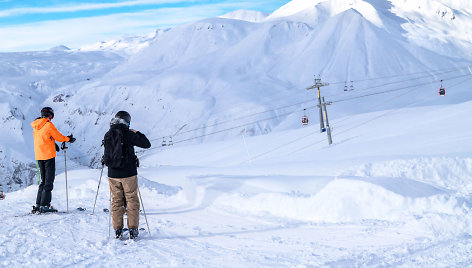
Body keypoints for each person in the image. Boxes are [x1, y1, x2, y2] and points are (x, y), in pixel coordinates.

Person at [103, 111, 151, 239]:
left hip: (113, 173)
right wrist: (137, 133)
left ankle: (117, 230)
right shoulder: (129, 133)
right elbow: (147, 144)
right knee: (131, 200)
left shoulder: (108, 133)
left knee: (116, 201)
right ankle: (133, 229)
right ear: (126, 121)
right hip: (129, 173)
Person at [31, 107, 76, 213]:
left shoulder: (36, 126)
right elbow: (59, 137)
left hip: (39, 156)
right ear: (50, 115)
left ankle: (39, 204)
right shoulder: (48, 125)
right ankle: (45, 205)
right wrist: (68, 139)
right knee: (49, 182)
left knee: (43, 181)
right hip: (48, 156)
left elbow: (43, 138)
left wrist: (52, 143)